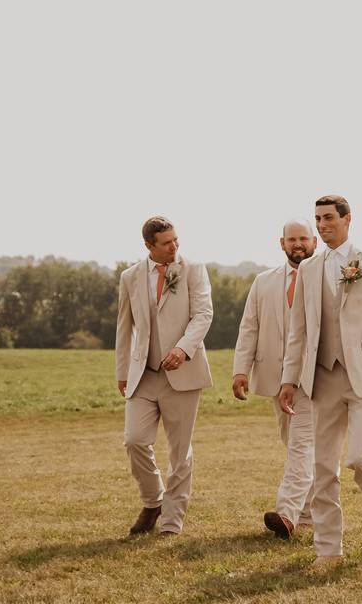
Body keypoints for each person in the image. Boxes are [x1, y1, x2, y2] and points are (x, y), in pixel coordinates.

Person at [279, 195, 362, 568]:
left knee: (360, 456)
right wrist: (289, 378)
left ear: (347, 219)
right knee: (323, 466)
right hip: (323, 377)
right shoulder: (308, 269)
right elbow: (298, 331)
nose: (321, 225)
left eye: (328, 218)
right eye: (317, 218)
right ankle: (328, 549)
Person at [115, 216, 213, 536]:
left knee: (179, 451)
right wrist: (122, 372)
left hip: (183, 372)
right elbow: (124, 327)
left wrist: (183, 349)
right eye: (167, 243)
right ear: (149, 246)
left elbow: (203, 314)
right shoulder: (130, 277)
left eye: (176, 240)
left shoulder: (193, 270)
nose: (175, 247)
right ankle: (153, 500)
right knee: (134, 440)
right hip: (142, 374)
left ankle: (171, 522)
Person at [232, 219, 318, 539]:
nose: (298, 244)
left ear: (314, 242)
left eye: (303, 239)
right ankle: (309, 512)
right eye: (291, 239)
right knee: (294, 444)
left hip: (314, 377)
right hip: (274, 376)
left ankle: (287, 513)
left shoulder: (327, 279)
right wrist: (241, 369)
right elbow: (249, 327)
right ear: (281, 244)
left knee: (301, 445)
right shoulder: (263, 282)